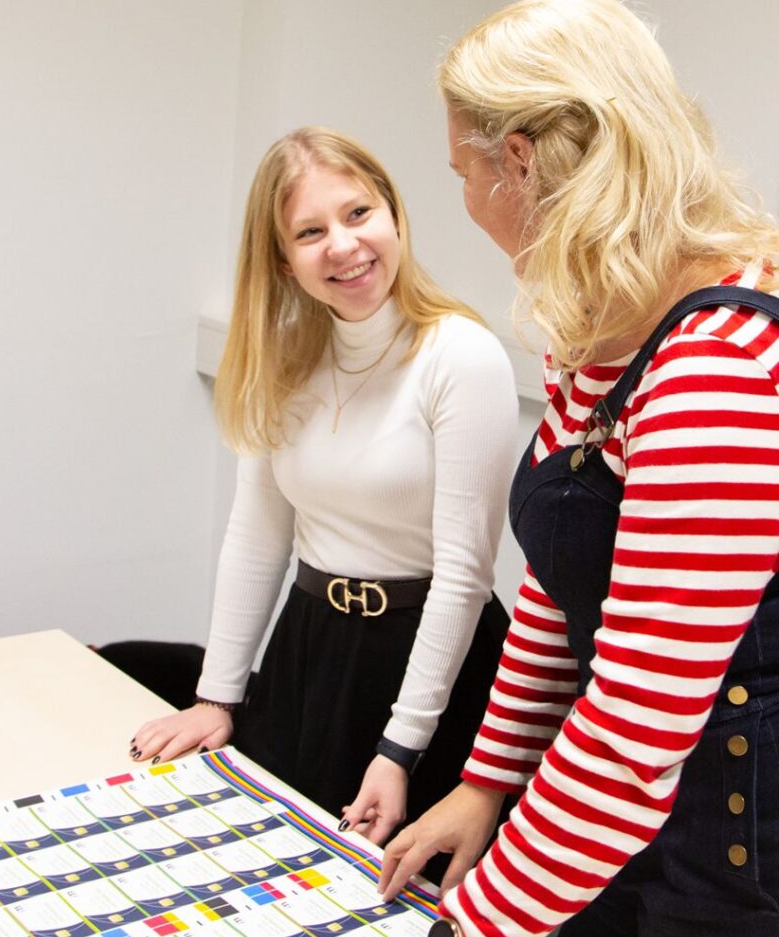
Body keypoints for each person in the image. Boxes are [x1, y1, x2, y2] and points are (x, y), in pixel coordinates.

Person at [372, 0, 779, 937]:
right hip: (630, 816)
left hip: (738, 846)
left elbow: (634, 725)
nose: (460, 192)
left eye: (461, 167)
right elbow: (562, 585)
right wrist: (486, 780)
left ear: (517, 161)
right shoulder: (595, 327)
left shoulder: (717, 371)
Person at [129, 126, 518, 847]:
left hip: (430, 662)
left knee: (391, 913)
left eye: (358, 214)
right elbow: (256, 538)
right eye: (311, 231)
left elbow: (465, 575)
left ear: (394, 215)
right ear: (283, 260)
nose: (343, 245)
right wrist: (219, 694)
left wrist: (401, 748)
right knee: (270, 873)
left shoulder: (462, 357)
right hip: (307, 647)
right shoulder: (286, 362)